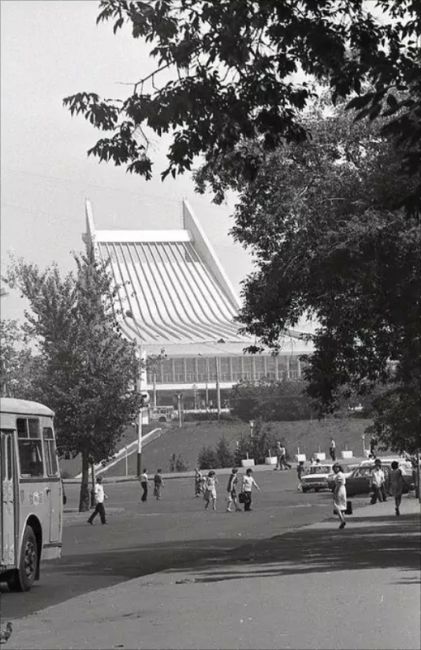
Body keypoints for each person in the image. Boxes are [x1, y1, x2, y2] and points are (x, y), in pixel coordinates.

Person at [332, 463, 347, 529]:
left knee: (337, 505)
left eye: (335, 468)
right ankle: (342, 520)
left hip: (340, 489)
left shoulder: (339, 475)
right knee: (342, 506)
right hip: (343, 489)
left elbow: (339, 484)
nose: (334, 470)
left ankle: (342, 520)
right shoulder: (342, 474)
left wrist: (335, 492)